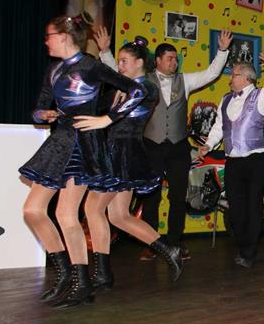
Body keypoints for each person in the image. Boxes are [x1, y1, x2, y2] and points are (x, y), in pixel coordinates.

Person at [20, 14, 147, 308]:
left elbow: (137, 90)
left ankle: (81, 282)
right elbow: (39, 108)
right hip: (59, 142)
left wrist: (107, 119)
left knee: (66, 214)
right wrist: (43, 114)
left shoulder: (89, 66)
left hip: (82, 143)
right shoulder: (53, 70)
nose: (46, 41)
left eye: (49, 36)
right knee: (33, 210)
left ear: (64, 37)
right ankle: (66, 274)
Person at [98, 28, 232, 261]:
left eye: (176, 59)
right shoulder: (143, 81)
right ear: (158, 60)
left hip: (178, 147)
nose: (174, 63)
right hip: (151, 146)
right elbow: (117, 73)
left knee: (178, 197)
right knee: (151, 197)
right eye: (170, 58)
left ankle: (175, 243)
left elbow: (211, 73)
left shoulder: (185, 80)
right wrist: (104, 51)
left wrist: (222, 50)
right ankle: (153, 244)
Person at [82, 36, 184, 292]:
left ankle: (102, 273)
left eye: (124, 61)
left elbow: (123, 107)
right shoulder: (123, 88)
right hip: (118, 153)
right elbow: (96, 106)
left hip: (123, 153)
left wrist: (105, 119)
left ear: (139, 63)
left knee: (93, 208)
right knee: (119, 216)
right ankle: (168, 249)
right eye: (118, 61)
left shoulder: (147, 88)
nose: (120, 66)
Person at [198, 53, 264, 268]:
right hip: (233, 161)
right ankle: (244, 245)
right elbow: (219, 127)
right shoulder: (226, 99)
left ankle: (249, 252)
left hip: (256, 160)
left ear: (246, 78)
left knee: (252, 205)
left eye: (233, 75)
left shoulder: (262, 95)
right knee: (236, 208)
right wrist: (209, 145)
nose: (230, 78)